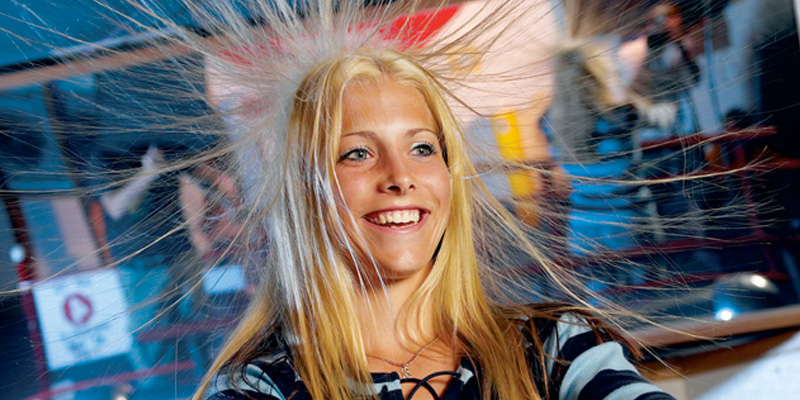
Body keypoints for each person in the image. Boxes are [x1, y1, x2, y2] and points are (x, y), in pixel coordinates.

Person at [192, 18, 675, 400]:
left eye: (422, 148)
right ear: (305, 191)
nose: (401, 176)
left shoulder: (557, 349)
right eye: (357, 152)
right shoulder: (260, 389)